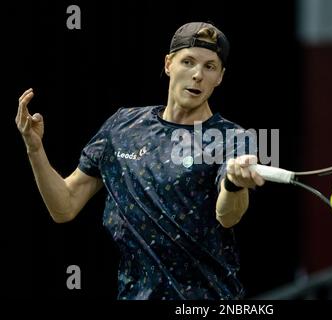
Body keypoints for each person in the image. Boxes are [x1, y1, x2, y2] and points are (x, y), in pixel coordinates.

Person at [15, 22, 265, 300]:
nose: (197, 75)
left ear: (220, 77)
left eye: (210, 67)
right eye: (188, 62)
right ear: (169, 64)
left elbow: (228, 216)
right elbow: (64, 206)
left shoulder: (232, 138)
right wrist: (35, 149)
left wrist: (233, 183)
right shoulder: (121, 127)